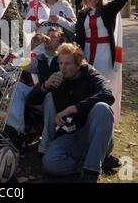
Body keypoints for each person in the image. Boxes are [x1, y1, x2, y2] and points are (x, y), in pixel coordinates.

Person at [42, 43, 119, 183]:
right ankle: (96, 160)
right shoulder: (58, 77)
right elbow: (31, 99)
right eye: (60, 63)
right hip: (71, 136)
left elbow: (108, 96)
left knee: (102, 108)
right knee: (50, 163)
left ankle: (92, 171)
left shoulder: (93, 76)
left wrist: (73, 108)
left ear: (79, 65)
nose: (63, 67)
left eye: (67, 63)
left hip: (94, 135)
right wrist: (45, 85)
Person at [75, 0, 138, 123]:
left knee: (102, 87)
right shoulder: (82, 14)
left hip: (104, 54)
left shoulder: (108, 10)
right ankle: (87, 120)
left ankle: (104, 120)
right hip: (86, 54)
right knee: (86, 87)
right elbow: (78, 35)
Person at [6, 27, 66, 152]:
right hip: (41, 97)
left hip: (60, 102)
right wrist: (21, 50)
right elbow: (21, 64)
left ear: (61, 43)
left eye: (53, 36)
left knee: (50, 97)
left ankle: (45, 145)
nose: (48, 38)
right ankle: (18, 131)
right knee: (17, 87)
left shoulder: (65, 59)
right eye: (47, 35)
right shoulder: (40, 59)